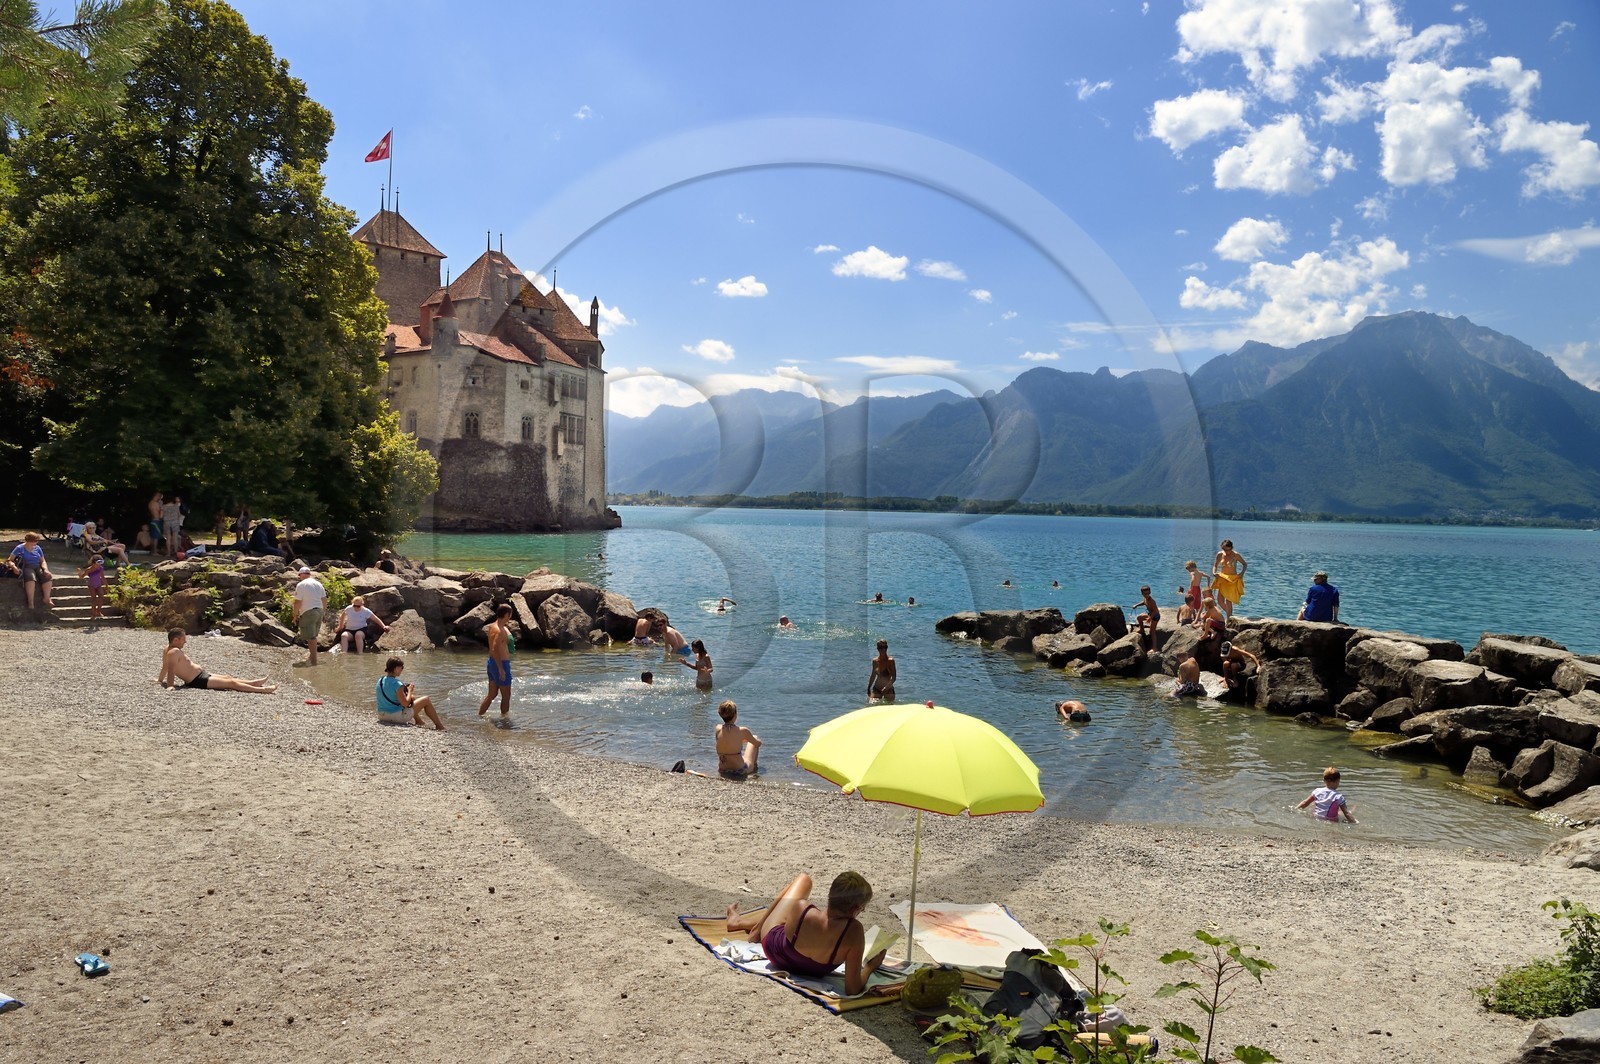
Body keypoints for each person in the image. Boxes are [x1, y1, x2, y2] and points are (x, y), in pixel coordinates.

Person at [725, 871, 886, 996]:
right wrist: (871, 966)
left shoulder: (802, 908)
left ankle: (751, 927)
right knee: (791, 916)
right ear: (855, 909)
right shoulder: (853, 932)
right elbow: (853, 988)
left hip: (775, 953)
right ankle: (751, 928)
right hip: (813, 971)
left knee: (803, 879)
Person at [158, 629, 277, 693]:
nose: (185, 642)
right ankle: (262, 690)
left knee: (228, 677)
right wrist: (170, 685)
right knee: (231, 684)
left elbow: (164, 667)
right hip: (197, 680)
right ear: (175, 640)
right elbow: (170, 669)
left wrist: (159, 680)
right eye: (183, 639)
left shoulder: (168, 649)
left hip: (201, 674)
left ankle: (254, 682)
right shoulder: (173, 652)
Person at [375, 657, 444, 729]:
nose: (402, 669)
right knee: (426, 699)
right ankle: (440, 726)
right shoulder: (397, 684)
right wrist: (410, 690)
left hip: (382, 716)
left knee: (412, 698)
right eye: (401, 667)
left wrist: (409, 695)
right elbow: (405, 703)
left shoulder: (380, 680)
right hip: (394, 717)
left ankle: (419, 721)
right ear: (396, 668)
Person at [478, 604, 514, 716]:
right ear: (507, 615)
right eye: (510, 614)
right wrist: (501, 668)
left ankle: (480, 715)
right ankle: (505, 721)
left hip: (492, 663)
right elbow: (494, 649)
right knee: (506, 695)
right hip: (501, 664)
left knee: (492, 694)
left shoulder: (493, 626)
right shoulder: (499, 630)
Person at [715, 700, 761, 778]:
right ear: (735, 715)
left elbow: (727, 740)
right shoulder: (743, 731)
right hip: (740, 770)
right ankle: (754, 771)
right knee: (755, 739)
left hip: (723, 769)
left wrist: (741, 740)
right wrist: (755, 740)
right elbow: (757, 743)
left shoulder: (718, 729)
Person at [291, 565, 326, 665]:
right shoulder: (318, 584)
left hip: (308, 611)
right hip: (319, 610)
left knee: (311, 638)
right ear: (309, 574)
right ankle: (311, 657)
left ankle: (314, 661)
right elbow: (324, 599)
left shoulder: (301, 585)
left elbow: (297, 602)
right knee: (314, 635)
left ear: (301, 575)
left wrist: (295, 615)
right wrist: (324, 612)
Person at [9, 532, 53, 608]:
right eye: (35, 541)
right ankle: (30, 602)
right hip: (26, 566)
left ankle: (46, 598)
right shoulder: (20, 548)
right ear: (29, 541)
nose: (37, 542)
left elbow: (42, 560)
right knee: (31, 578)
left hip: (37, 566)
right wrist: (14, 567)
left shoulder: (38, 548)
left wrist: (45, 569)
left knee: (47, 577)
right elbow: (10, 560)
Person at [1212, 539, 1247, 620]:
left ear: (1232, 547)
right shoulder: (1220, 554)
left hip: (1232, 580)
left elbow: (1244, 564)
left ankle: (1229, 619)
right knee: (1220, 601)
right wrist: (1214, 572)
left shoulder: (1236, 555)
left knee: (1229, 601)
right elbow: (1215, 565)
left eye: (1229, 549)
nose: (1227, 551)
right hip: (1222, 579)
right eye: (1225, 549)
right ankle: (1230, 616)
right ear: (1222, 548)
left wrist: (1241, 574)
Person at [77, 554, 108, 619]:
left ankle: (98, 611)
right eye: (98, 563)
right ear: (94, 563)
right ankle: (93, 613)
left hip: (98, 584)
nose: (99, 564)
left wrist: (106, 586)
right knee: (94, 599)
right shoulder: (89, 570)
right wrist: (79, 573)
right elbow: (82, 577)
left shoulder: (100, 568)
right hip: (91, 585)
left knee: (101, 597)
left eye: (101, 562)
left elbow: (103, 577)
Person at [1133, 585, 1160, 649]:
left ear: (1150, 592)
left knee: (1152, 632)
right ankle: (1142, 630)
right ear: (1142, 593)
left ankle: (1154, 648)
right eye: (1145, 594)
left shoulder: (1151, 601)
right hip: (1150, 614)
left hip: (1155, 616)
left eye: (1148, 593)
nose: (1146, 595)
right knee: (1139, 618)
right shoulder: (1146, 598)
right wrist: (1136, 605)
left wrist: (1150, 619)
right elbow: (1144, 602)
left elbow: (1156, 611)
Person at [1181, 560, 1207, 626]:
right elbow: (1208, 577)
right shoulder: (1200, 573)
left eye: (1188, 569)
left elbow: (1192, 580)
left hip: (1193, 588)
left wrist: (1190, 588)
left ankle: (1189, 616)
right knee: (1197, 603)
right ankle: (1198, 617)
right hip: (1198, 588)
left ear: (1191, 567)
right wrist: (1208, 584)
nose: (1188, 571)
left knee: (1190, 602)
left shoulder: (1193, 573)